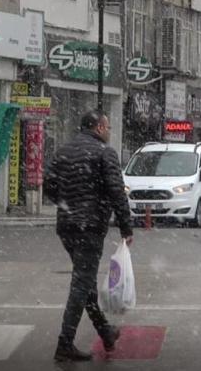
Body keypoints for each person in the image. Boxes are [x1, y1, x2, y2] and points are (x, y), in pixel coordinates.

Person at [44, 110, 134, 362]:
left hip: (67, 226)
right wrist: (126, 226)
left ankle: (105, 331)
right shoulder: (105, 152)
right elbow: (117, 191)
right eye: (107, 127)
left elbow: (48, 184)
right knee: (81, 284)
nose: (108, 132)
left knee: (85, 283)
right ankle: (65, 343)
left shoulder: (63, 151)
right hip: (90, 226)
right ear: (98, 128)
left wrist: (66, 204)